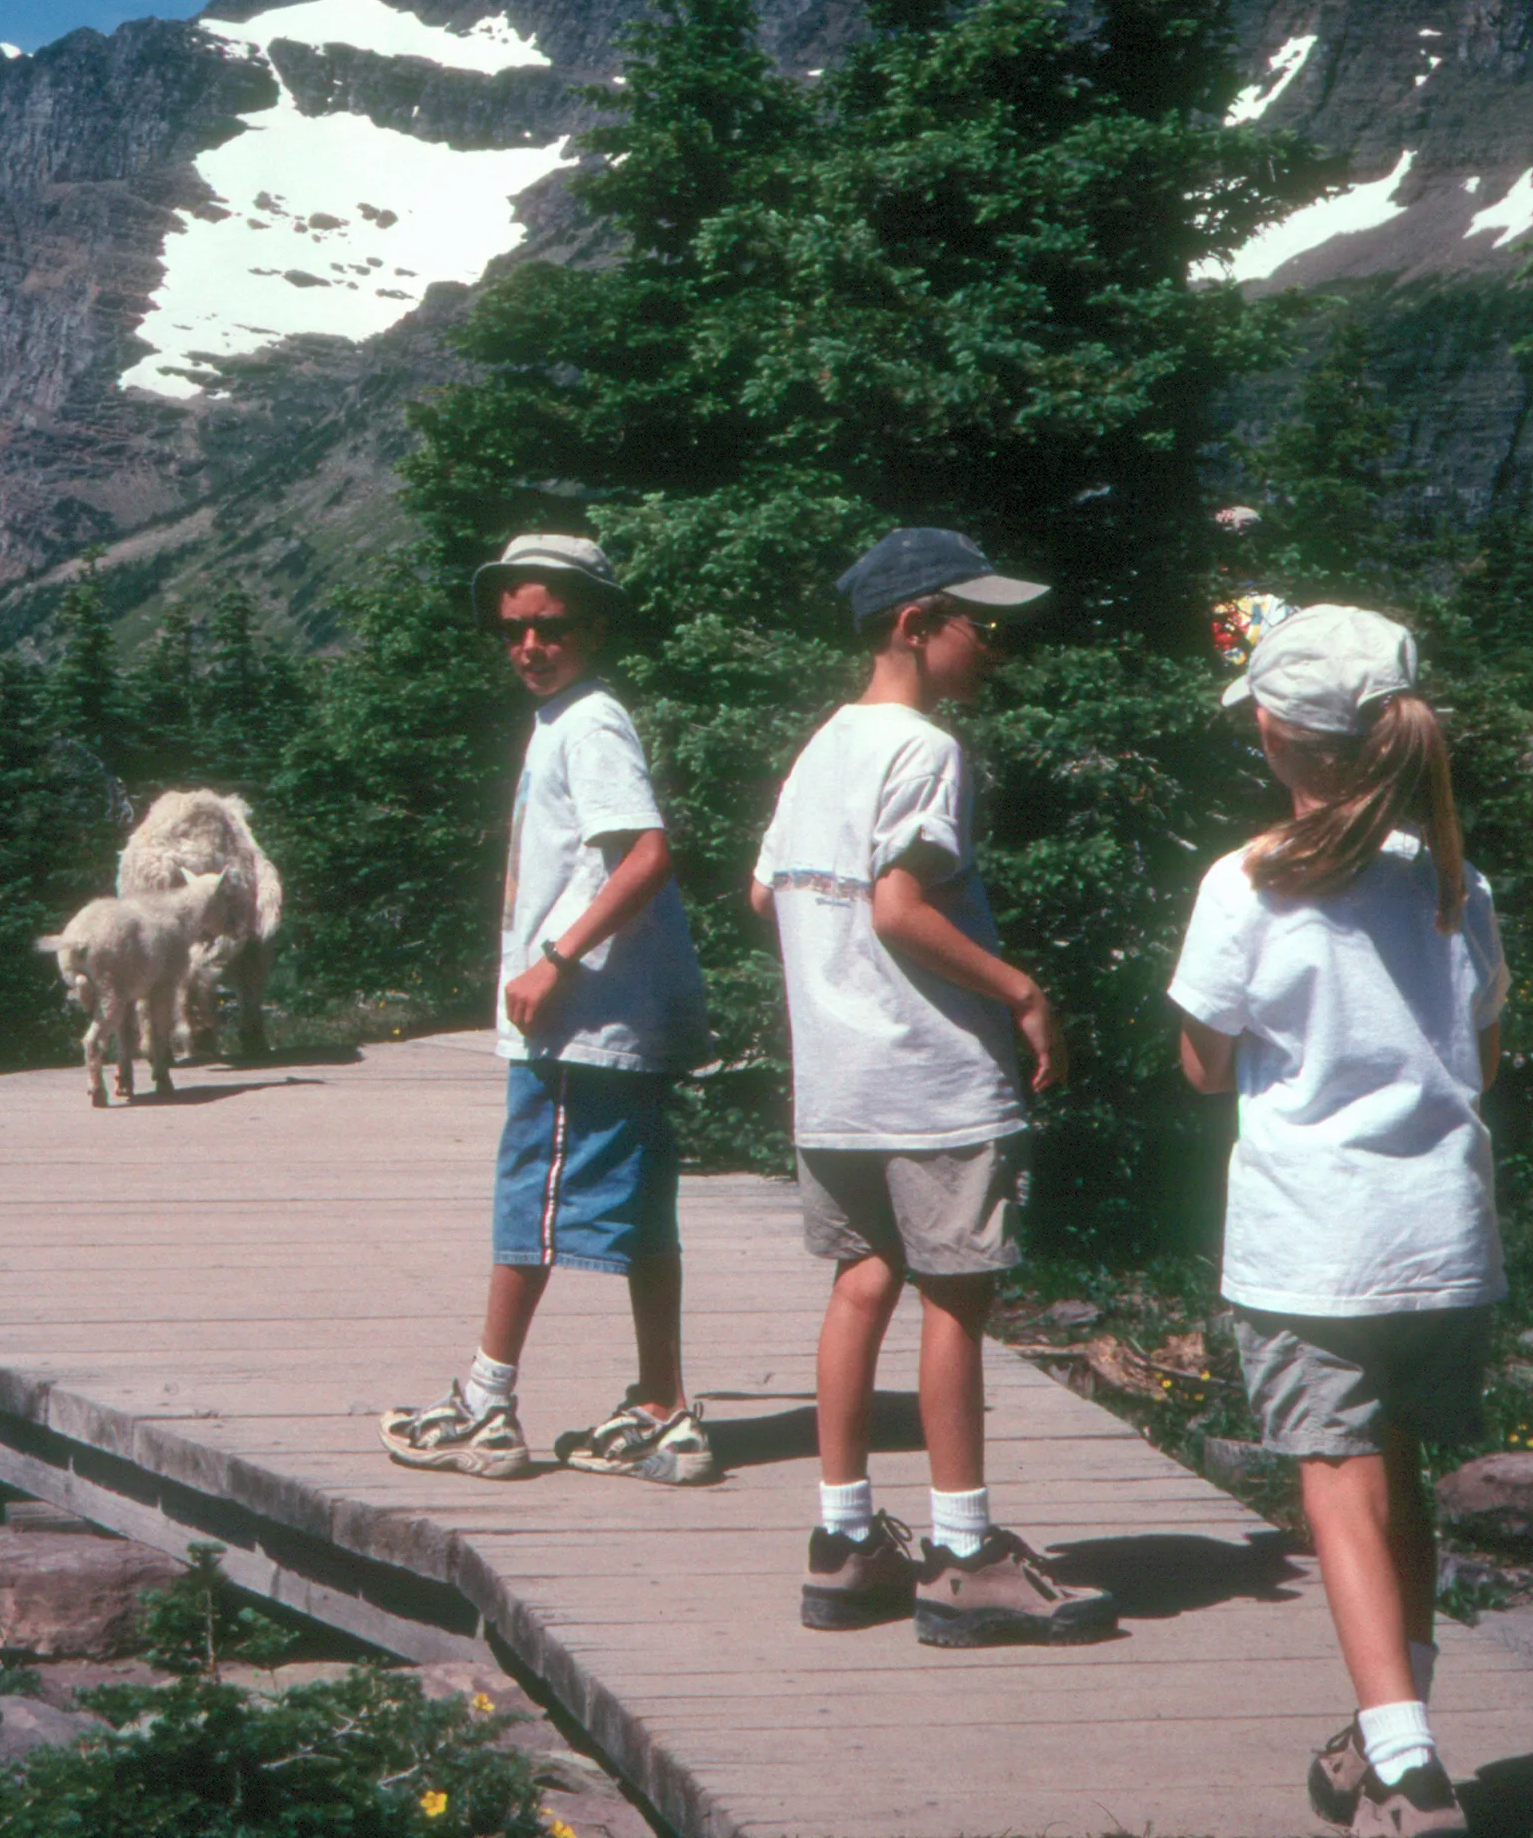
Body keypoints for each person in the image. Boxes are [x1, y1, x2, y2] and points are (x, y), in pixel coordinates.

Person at [1170, 605, 1505, 1838]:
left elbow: (1204, 1062)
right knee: (1400, 1478)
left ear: (1274, 733)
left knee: (1337, 1480)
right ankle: (1385, 1714)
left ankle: (1412, 1767)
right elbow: (1485, 1042)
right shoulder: (1458, 883)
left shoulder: (1245, 882)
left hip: (1312, 1236)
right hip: (1440, 1233)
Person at [748, 526, 1115, 1648]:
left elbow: (768, 896)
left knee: (861, 1282)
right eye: (980, 623)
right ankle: (963, 1552)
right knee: (957, 1299)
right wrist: (1021, 989)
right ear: (916, 625)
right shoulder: (927, 749)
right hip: (932, 1077)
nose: (995, 646)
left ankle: (844, 1537)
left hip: (838, 1079)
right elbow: (900, 907)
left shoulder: (822, 745)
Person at [380, 532, 719, 1485]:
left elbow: (646, 854)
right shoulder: (568, 717)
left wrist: (554, 962)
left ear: (596, 626)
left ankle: (487, 1407)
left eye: (551, 627)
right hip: (619, 1023)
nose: (529, 645)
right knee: (645, 1215)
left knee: (529, 1203)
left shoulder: (591, 724)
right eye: (513, 630)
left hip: (581, 1021)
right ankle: (664, 1406)